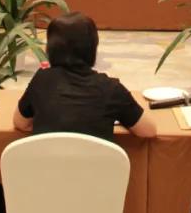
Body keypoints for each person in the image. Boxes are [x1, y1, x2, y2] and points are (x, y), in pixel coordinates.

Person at [15, 12, 155, 140]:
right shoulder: (112, 89)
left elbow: (21, 123)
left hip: (47, 160)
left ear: (51, 48)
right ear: (92, 47)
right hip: (97, 161)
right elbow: (148, 131)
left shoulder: (41, 81)